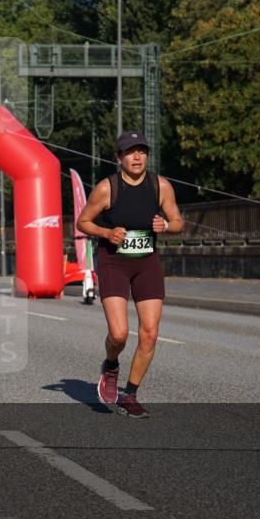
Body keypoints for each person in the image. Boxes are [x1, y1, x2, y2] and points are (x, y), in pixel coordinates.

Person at [76, 131, 183, 419]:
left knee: (150, 333)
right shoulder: (107, 188)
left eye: (142, 151)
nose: (137, 157)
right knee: (119, 333)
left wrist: (166, 226)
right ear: (119, 158)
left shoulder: (161, 186)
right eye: (130, 152)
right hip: (114, 262)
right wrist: (106, 232)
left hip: (147, 263)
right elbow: (83, 222)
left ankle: (130, 395)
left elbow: (177, 221)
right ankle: (111, 365)